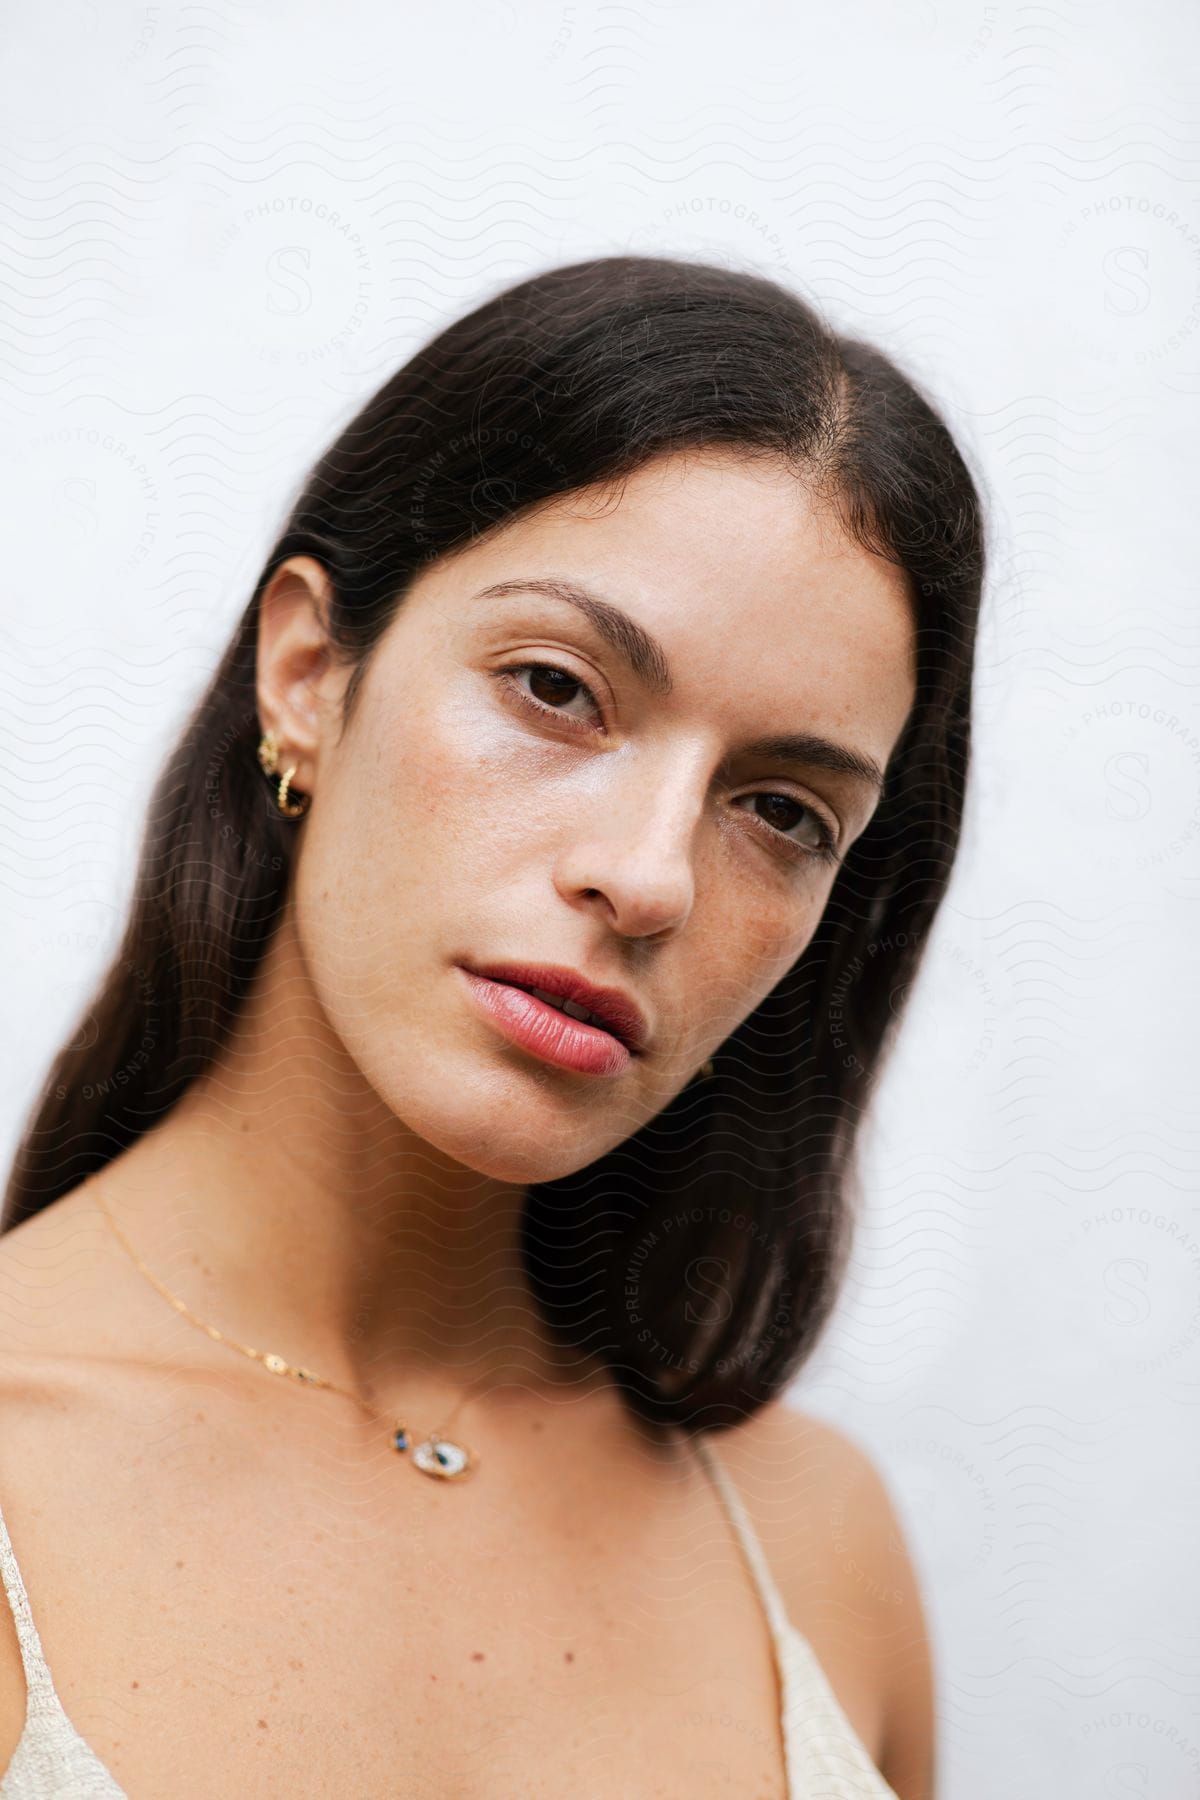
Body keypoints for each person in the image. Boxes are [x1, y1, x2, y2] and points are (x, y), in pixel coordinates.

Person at [0, 254, 983, 1798]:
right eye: (556, 688)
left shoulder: (815, 1542)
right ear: (309, 676)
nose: (651, 876)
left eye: (783, 810)